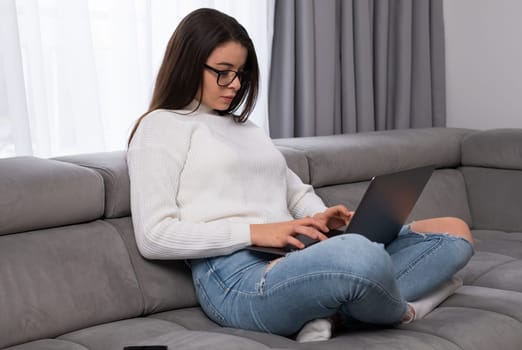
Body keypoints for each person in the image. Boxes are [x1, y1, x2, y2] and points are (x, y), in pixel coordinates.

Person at [127, 8, 474, 342]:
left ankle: (333, 309)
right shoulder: (160, 127)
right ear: (188, 63)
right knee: (359, 256)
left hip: (296, 254)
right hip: (236, 276)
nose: (234, 84)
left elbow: (293, 192)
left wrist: (320, 217)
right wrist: (259, 233)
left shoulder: (247, 129)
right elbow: (154, 235)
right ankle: (404, 309)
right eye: (223, 70)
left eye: (242, 73)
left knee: (453, 233)